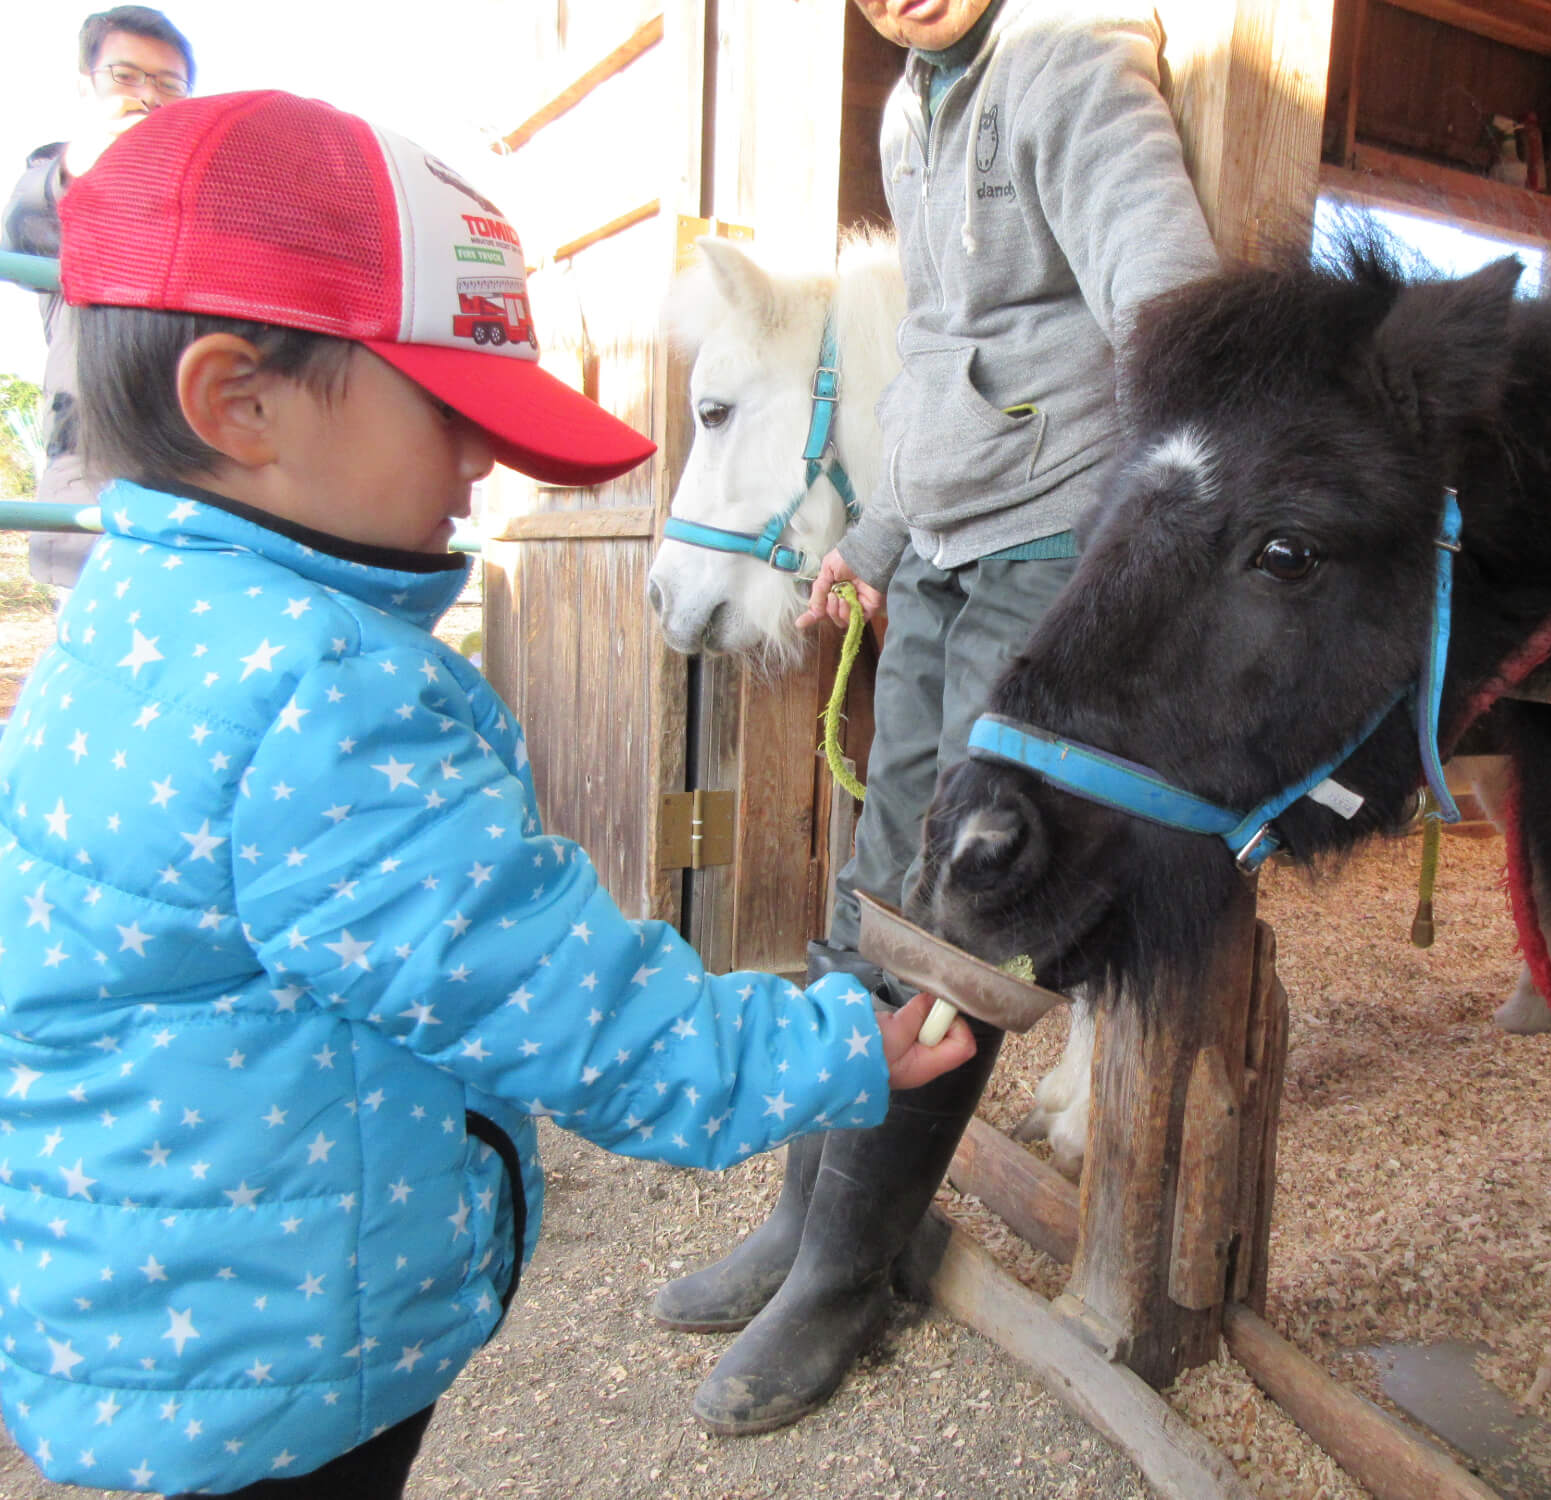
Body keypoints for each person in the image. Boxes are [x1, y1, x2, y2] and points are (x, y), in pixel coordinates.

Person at [0, 90, 975, 1500]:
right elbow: (572, 1007)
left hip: (147, 1314)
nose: (480, 462)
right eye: (450, 412)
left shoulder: (131, 623)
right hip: (280, 1372)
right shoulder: (320, 695)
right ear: (241, 400)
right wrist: (833, 1050)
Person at [649, 0, 1220, 1436]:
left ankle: (848, 1269)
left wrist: (1146, 548)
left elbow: (1169, 303)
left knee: (963, 902)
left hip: (1051, 550)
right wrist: (878, 538)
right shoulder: (913, 108)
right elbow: (932, 364)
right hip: (950, 545)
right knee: (873, 880)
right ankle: (810, 1225)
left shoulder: (1067, 64)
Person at [2, 6, 197, 591]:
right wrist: (84, 163)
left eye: (169, 84)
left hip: (198, 494)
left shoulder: (205, 201)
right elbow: (28, 230)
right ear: (84, 86)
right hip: (96, 496)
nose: (148, 97)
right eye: (126, 75)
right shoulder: (57, 172)